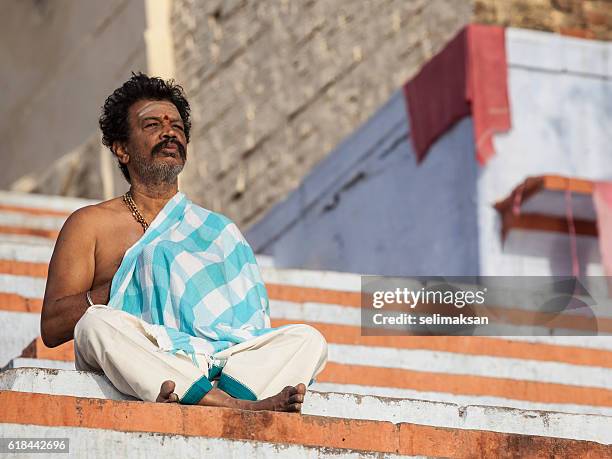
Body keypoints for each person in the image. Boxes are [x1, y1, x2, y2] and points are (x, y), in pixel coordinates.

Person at [40, 73, 328, 412]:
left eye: (176, 126)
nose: (169, 132)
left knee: (310, 340)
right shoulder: (90, 224)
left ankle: (219, 397)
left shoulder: (218, 230)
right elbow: (52, 327)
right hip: (153, 359)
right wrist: (131, 280)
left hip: (220, 362)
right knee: (95, 325)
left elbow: (251, 326)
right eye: (152, 125)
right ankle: (225, 403)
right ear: (121, 149)